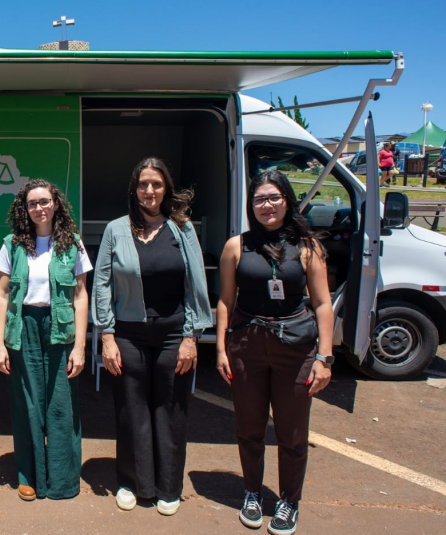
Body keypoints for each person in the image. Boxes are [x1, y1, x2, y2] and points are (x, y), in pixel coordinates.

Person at [215, 171, 333, 535]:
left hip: (295, 348)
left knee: (292, 432)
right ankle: (252, 492)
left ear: (287, 200)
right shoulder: (237, 246)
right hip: (247, 345)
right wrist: (220, 347)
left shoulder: (308, 247)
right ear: (251, 206)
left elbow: (323, 303)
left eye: (273, 197)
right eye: (259, 199)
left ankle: (288, 501)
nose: (266, 205)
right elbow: (226, 300)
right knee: (249, 428)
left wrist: (324, 357)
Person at [92, 157, 212, 516]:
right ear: (134, 189)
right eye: (143, 184)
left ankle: (167, 487)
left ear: (166, 189)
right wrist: (107, 336)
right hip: (127, 334)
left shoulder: (182, 229)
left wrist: (192, 336)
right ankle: (132, 482)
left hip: (175, 333)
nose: (149, 191)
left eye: (156, 184)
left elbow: (195, 283)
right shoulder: (117, 229)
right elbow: (101, 283)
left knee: (171, 409)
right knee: (131, 410)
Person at [0, 178, 92, 501]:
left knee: (61, 406)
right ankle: (29, 476)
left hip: (61, 331)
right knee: (27, 406)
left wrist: (80, 346)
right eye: (32, 203)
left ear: (56, 204)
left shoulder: (72, 243)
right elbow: (2, 294)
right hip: (24, 330)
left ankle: (62, 481)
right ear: (25, 208)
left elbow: (80, 295)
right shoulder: (13, 244)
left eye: (44, 201)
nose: (39, 208)